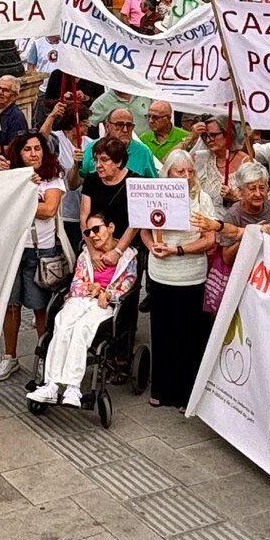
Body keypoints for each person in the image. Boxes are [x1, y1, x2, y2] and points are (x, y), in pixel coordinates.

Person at [31, 214, 136, 408]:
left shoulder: (129, 256)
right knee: (62, 325)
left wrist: (108, 293)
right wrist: (93, 289)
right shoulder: (86, 254)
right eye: (89, 231)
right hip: (81, 298)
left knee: (81, 329)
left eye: (97, 229)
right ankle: (51, 385)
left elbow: (128, 284)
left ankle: (73, 387)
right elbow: (77, 283)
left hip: (104, 304)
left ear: (111, 227)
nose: (93, 235)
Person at [139, 148, 216, 409]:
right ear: (168, 172)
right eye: (179, 171)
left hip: (190, 275)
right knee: (161, 331)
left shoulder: (201, 199)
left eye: (190, 171)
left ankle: (185, 392)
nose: (185, 176)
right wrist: (151, 246)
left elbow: (209, 239)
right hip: (161, 273)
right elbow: (144, 229)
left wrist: (178, 249)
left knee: (188, 334)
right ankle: (161, 388)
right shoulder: (155, 195)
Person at [4, 130, 66, 373]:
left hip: (42, 251)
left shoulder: (53, 177)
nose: (33, 154)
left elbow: (49, 209)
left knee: (41, 308)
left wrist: (21, 197)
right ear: (19, 153)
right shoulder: (10, 177)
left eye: (37, 148)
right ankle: (10, 356)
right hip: (14, 250)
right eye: (27, 149)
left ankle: (43, 357)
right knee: (11, 306)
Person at [137, 100, 188, 167]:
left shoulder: (185, 137)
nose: (150, 121)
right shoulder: (143, 139)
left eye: (155, 117)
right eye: (149, 116)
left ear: (168, 118)